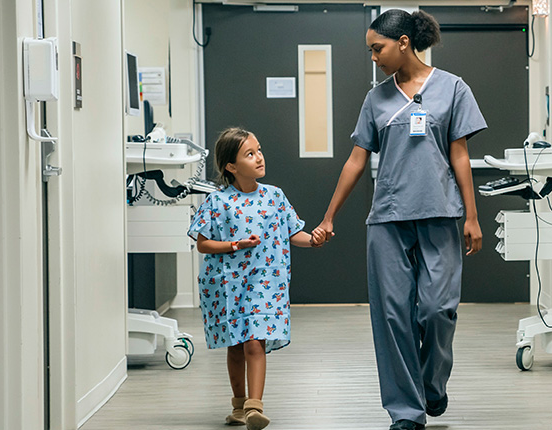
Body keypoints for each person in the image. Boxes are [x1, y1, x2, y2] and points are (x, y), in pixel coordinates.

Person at [313, 9, 487, 430]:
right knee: (393, 318)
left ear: (404, 42)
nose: (373, 56)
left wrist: (472, 215)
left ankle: (431, 383)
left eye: (378, 48)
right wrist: (330, 215)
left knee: (437, 310)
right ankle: (406, 412)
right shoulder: (376, 99)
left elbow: (460, 155)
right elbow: (357, 160)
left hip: (442, 214)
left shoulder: (453, 89)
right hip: (388, 218)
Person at [188, 127, 326, 430]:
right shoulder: (218, 202)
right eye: (250, 154)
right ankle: (238, 406)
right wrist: (236, 245)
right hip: (227, 285)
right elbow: (202, 243)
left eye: (259, 150)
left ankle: (254, 406)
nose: (259, 157)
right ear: (231, 167)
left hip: (265, 284)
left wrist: (313, 239)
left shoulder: (275, 196)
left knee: (254, 342)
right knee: (235, 347)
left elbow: (294, 233)